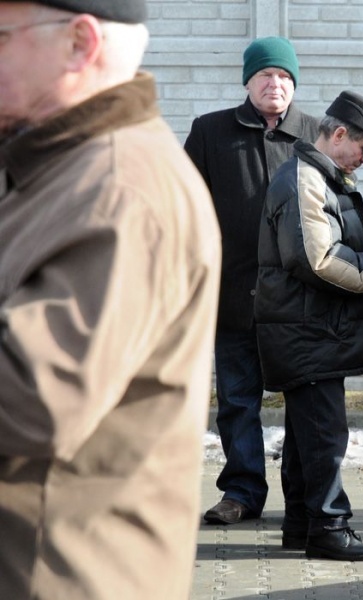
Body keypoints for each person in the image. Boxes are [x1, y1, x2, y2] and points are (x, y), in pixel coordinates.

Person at [0, 1, 221, 598]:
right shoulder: (59, 168)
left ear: (79, 42)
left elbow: (30, 401)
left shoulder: (121, 188)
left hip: (60, 572)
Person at [255, 90, 363, 562]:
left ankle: (301, 523)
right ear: (338, 134)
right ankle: (329, 528)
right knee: (323, 433)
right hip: (307, 331)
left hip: (307, 328)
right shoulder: (305, 179)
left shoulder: (316, 176)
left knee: (306, 434)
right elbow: (316, 260)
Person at [184, 36, 319, 525]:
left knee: (304, 401)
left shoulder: (315, 133)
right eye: (265, 75)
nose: (275, 84)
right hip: (233, 294)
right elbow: (187, 209)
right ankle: (241, 491)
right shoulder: (210, 132)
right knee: (238, 400)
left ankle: (303, 496)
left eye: (284, 77)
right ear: (248, 81)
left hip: (300, 301)